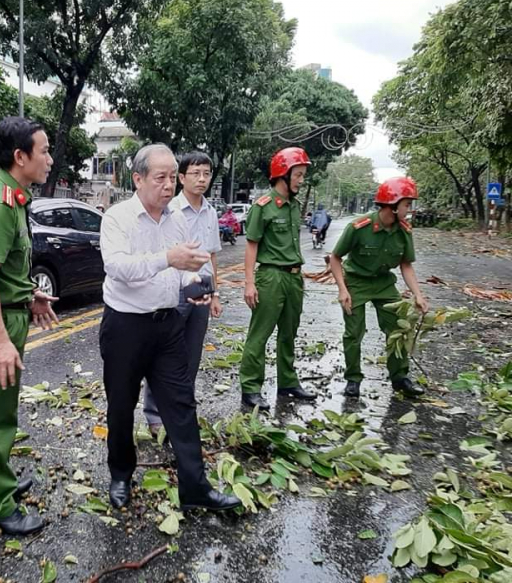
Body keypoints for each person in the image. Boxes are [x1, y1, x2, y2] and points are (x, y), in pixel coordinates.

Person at [99, 143, 240, 513]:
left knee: (181, 405)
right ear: (138, 178)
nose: (166, 186)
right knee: (121, 405)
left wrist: (200, 287)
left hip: (168, 326)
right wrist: (168, 259)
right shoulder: (117, 218)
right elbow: (119, 268)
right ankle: (120, 475)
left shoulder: (176, 219)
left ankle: (196, 487)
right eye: (158, 178)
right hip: (125, 327)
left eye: (169, 178)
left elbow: (194, 264)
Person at [0, 116, 59, 536]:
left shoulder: (14, 197)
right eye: (44, 151)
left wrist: (29, 295)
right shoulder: (0, 204)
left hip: (9, 313)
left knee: (3, 411)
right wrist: (1, 341)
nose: (50, 160)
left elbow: (3, 273)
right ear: (20, 157)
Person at [142, 150, 223, 437]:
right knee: (164, 355)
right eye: (196, 174)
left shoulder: (211, 212)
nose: (202, 179)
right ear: (182, 177)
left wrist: (214, 294)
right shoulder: (170, 209)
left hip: (201, 290)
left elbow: (212, 256)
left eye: (207, 174)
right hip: (174, 291)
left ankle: (181, 410)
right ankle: (154, 415)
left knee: (191, 355)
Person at [329, 176, 428, 398]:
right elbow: (335, 258)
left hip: (384, 283)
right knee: (354, 333)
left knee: (398, 328)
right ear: (393, 205)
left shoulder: (404, 231)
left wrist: (418, 295)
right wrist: (342, 289)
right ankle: (353, 379)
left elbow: (406, 265)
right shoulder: (359, 227)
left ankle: (400, 378)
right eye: (406, 204)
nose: (409, 209)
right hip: (356, 283)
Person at [239, 147, 318, 411]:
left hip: (294, 278)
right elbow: (251, 245)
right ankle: (251, 387)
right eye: (298, 174)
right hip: (271, 277)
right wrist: (249, 283)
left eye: (303, 175)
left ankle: (287, 381)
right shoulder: (263, 207)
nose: (301, 180)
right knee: (260, 334)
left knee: (289, 334)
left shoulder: (295, 206)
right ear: (283, 175)